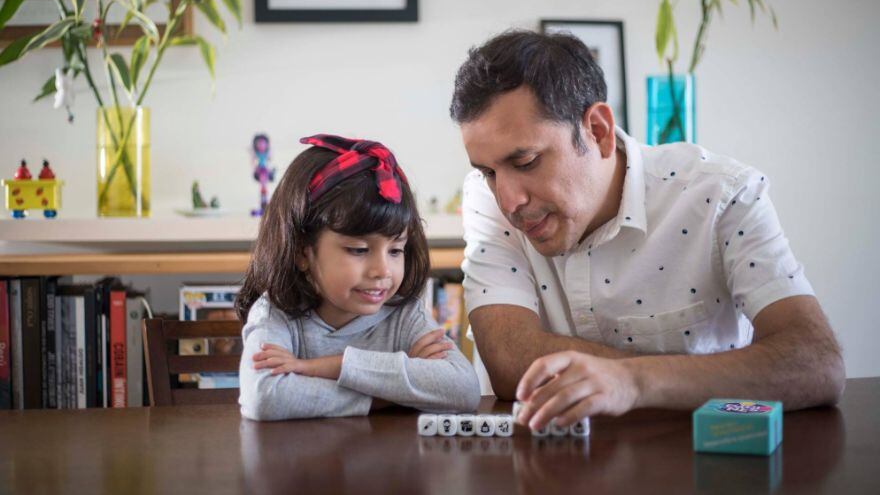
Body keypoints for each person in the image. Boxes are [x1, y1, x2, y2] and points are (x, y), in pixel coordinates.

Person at [449, 30, 845, 431]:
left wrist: (633, 382)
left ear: (598, 131)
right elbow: (507, 357)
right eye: (487, 172)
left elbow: (814, 361)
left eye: (528, 161)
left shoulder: (723, 194)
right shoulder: (488, 199)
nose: (508, 199)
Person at [236, 134, 481, 421]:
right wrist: (389, 394)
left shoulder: (402, 313)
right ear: (303, 252)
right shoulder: (275, 313)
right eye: (359, 249)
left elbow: (463, 388)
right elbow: (263, 397)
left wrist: (329, 367)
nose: (382, 271)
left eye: (396, 249)